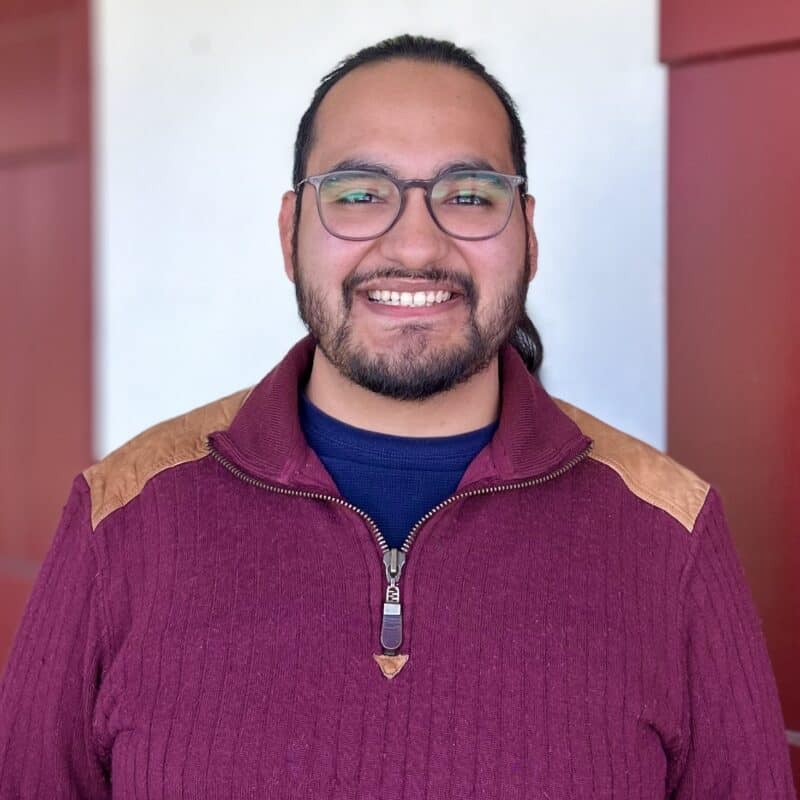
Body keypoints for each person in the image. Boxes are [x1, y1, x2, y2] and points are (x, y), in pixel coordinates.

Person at [0, 34, 794, 800]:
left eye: (469, 195)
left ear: (528, 237)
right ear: (290, 234)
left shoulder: (672, 531)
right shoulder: (124, 517)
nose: (415, 245)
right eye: (359, 194)